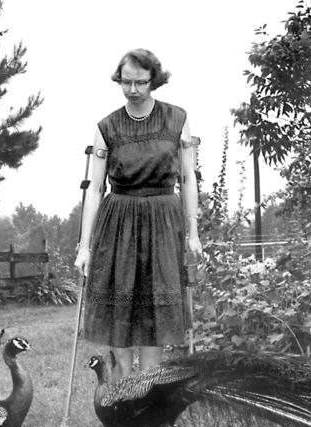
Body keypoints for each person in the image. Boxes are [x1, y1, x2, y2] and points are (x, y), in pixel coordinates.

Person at [74, 48, 201, 381]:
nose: (133, 90)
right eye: (126, 82)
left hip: (163, 218)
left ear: (153, 81)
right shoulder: (107, 126)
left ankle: (147, 388)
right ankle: (120, 390)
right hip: (119, 222)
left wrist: (194, 232)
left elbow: (188, 180)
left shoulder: (178, 119)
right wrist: (85, 246)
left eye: (141, 82)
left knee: (155, 305)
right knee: (121, 303)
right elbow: (94, 189)